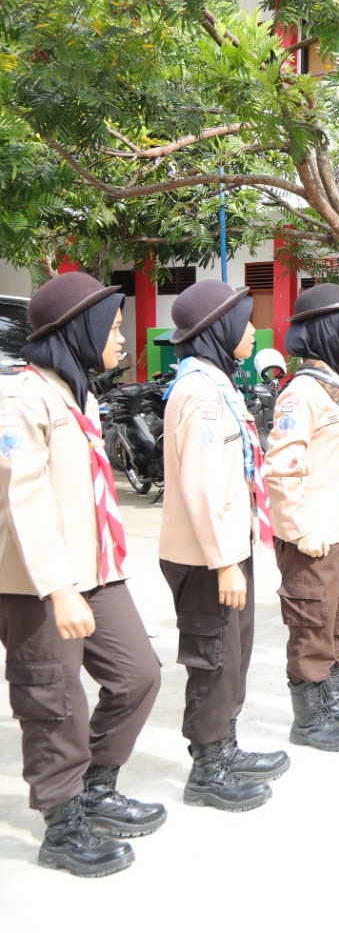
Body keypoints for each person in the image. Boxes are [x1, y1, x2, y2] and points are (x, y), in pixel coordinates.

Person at [0, 273, 163, 877]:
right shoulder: (23, 398)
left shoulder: (78, 395)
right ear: (80, 330)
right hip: (41, 581)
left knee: (138, 674)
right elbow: (24, 499)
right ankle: (62, 822)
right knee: (53, 699)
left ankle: (96, 784)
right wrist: (59, 586)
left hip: (94, 570)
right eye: (115, 327)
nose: (122, 339)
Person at [160, 280, 287, 811]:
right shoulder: (199, 394)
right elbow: (203, 485)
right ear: (218, 329)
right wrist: (224, 562)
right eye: (244, 321)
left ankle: (225, 745)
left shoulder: (217, 382)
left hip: (228, 546)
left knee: (232, 651)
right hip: (208, 554)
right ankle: (207, 767)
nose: (253, 330)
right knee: (213, 655)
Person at [266, 284, 339, 750]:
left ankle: (334, 701)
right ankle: (309, 718)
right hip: (314, 532)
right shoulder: (302, 394)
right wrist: (300, 529)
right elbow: (281, 467)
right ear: (332, 334)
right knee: (312, 622)